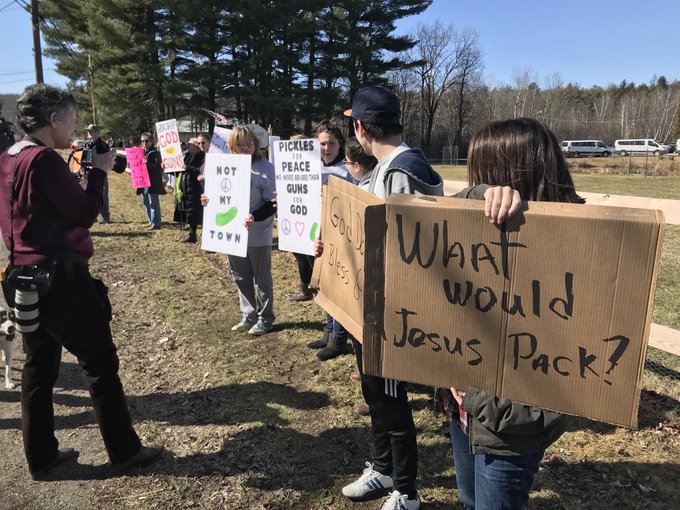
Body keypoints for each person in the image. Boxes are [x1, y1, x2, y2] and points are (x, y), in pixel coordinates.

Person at [337, 85, 521, 510]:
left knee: (390, 400)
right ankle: (383, 468)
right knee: (375, 394)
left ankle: (406, 490)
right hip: (372, 303)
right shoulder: (387, 168)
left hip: (392, 310)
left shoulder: (402, 172)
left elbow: (413, 251)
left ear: (360, 128)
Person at [0, 84, 163, 480]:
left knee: (38, 366)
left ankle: (41, 456)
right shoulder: (43, 159)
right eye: (72, 119)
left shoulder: (9, 157)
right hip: (60, 277)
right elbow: (85, 213)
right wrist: (99, 172)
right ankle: (125, 451)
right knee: (99, 361)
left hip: (20, 273)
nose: (75, 128)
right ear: (53, 118)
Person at [446, 117, 582, 510]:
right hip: (463, 409)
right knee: (469, 498)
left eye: (481, 174)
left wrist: (480, 399)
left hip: (508, 430)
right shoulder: (480, 234)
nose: (474, 183)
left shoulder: (569, 245)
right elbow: (437, 216)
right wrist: (482, 193)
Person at [202, 126, 277, 336]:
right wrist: (207, 199)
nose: (245, 148)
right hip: (232, 233)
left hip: (257, 233)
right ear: (232, 146)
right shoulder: (225, 166)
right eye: (240, 144)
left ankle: (265, 318)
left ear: (255, 144)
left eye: (249, 143)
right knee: (240, 276)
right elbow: (217, 193)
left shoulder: (265, 167)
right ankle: (248, 315)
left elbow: (272, 203)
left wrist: (255, 217)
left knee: (262, 278)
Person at [304, 119, 356, 361]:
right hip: (315, 235)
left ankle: (339, 338)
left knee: (337, 289)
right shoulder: (308, 168)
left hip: (338, 238)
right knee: (322, 285)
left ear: (340, 144)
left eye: (331, 143)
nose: (326, 148)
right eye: (322, 143)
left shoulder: (347, 170)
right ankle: (328, 330)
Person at [174, 137, 205, 243]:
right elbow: (180, 170)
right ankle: (192, 235)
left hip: (197, 188)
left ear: (196, 146)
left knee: (198, 213)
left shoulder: (202, 156)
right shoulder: (188, 156)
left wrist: (187, 167)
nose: (188, 146)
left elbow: (200, 171)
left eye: (190, 144)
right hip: (187, 187)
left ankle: (203, 236)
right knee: (191, 213)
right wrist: (167, 168)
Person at [137, 132, 165, 229]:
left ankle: (156, 223)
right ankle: (151, 221)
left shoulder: (155, 153)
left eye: (146, 141)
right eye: (142, 141)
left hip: (152, 181)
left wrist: (147, 163)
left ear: (151, 142)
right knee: (145, 202)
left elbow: (158, 168)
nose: (144, 143)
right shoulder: (141, 153)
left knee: (153, 202)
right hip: (143, 181)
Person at [85, 124, 111, 223]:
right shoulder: (87, 143)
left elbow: (107, 157)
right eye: (88, 131)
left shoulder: (103, 144)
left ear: (96, 133)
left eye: (90, 131)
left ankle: (105, 216)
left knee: (103, 194)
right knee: (90, 193)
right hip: (89, 171)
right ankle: (93, 215)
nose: (88, 133)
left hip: (100, 171)